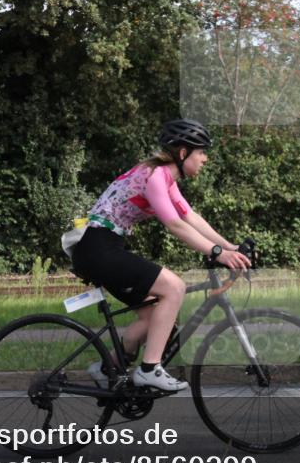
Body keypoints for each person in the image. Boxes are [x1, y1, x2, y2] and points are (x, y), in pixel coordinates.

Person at [71, 119, 252, 391]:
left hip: (104, 248)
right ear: (182, 153)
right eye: (201, 151)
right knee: (175, 287)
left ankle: (108, 367)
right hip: (98, 248)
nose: (205, 158)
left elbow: (190, 216)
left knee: (155, 314)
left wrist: (230, 247)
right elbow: (175, 224)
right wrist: (217, 253)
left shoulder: (166, 178)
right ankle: (149, 369)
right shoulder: (154, 176)